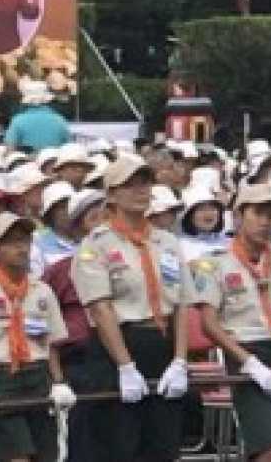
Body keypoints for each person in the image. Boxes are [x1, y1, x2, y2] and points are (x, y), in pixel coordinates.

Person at [70, 155, 191, 462]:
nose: (141, 191)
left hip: (161, 343)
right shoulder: (96, 245)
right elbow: (101, 310)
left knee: (161, 445)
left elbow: (181, 304)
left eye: (145, 183)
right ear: (111, 194)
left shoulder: (166, 242)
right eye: (130, 185)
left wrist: (179, 359)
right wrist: (125, 366)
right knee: (117, 445)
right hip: (119, 346)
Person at [194, 184, 271, 462]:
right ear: (238, 216)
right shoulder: (214, 265)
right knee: (270, 449)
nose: (266, 223)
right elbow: (209, 324)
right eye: (258, 214)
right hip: (247, 351)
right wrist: (249, 363)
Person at [0, 211, 74, 462]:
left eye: (25, 241)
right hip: (1, 377)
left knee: (46, 453)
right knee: (15, 454)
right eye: (12, 242)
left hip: (37, 374)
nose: (21, 248)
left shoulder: (42, 290)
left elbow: (50, 343)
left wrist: (58, 381)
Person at [41, 188, 103, 461]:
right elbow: (44, 327)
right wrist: (57, 378)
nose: (103, 226)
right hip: (79, 358)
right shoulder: (60, 270)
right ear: (78, 228)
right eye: (94, 219)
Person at [3, 80, 69, 153]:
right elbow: (67, 147)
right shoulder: (59, 120)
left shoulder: (18, 120)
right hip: (53, 162)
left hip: (26, 162)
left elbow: (10, 148)